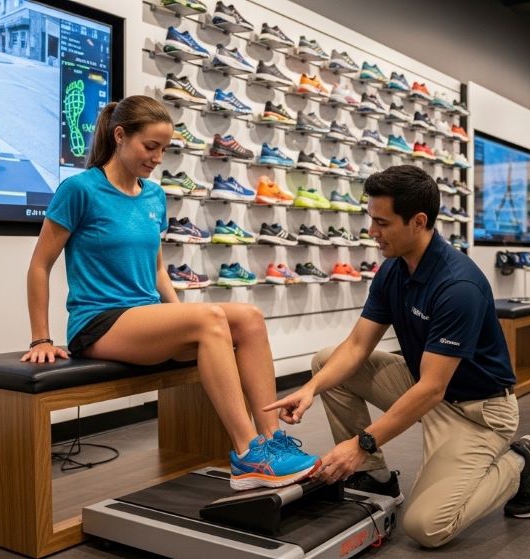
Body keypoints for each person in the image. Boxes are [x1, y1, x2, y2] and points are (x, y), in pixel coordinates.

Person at [21, 95, 319, 491]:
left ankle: (270, 440)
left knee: (249, 318)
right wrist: (41, 337)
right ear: (120, 136)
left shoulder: (154, 195)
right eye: (150, 147)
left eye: (164, 148)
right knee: (209, 318)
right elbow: (39, 265)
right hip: (98, 322)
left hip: (143, 319)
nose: (158, 157)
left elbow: (159, 268)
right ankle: (249, 455)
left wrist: (180, 320)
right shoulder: (79, 190)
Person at [264, 166, 530, 548]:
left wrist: (360, 443)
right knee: (326, 360)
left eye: (382, 222)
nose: (372, 231)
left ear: (418, 221)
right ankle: (375, 477)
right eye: (371, 220)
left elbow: (432, 389)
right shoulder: (393, 270)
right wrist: (310, 389)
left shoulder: (457, 286)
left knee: (426, 528)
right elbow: (357, 346)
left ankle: (519, 463)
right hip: (426, 387)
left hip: (476, 412)